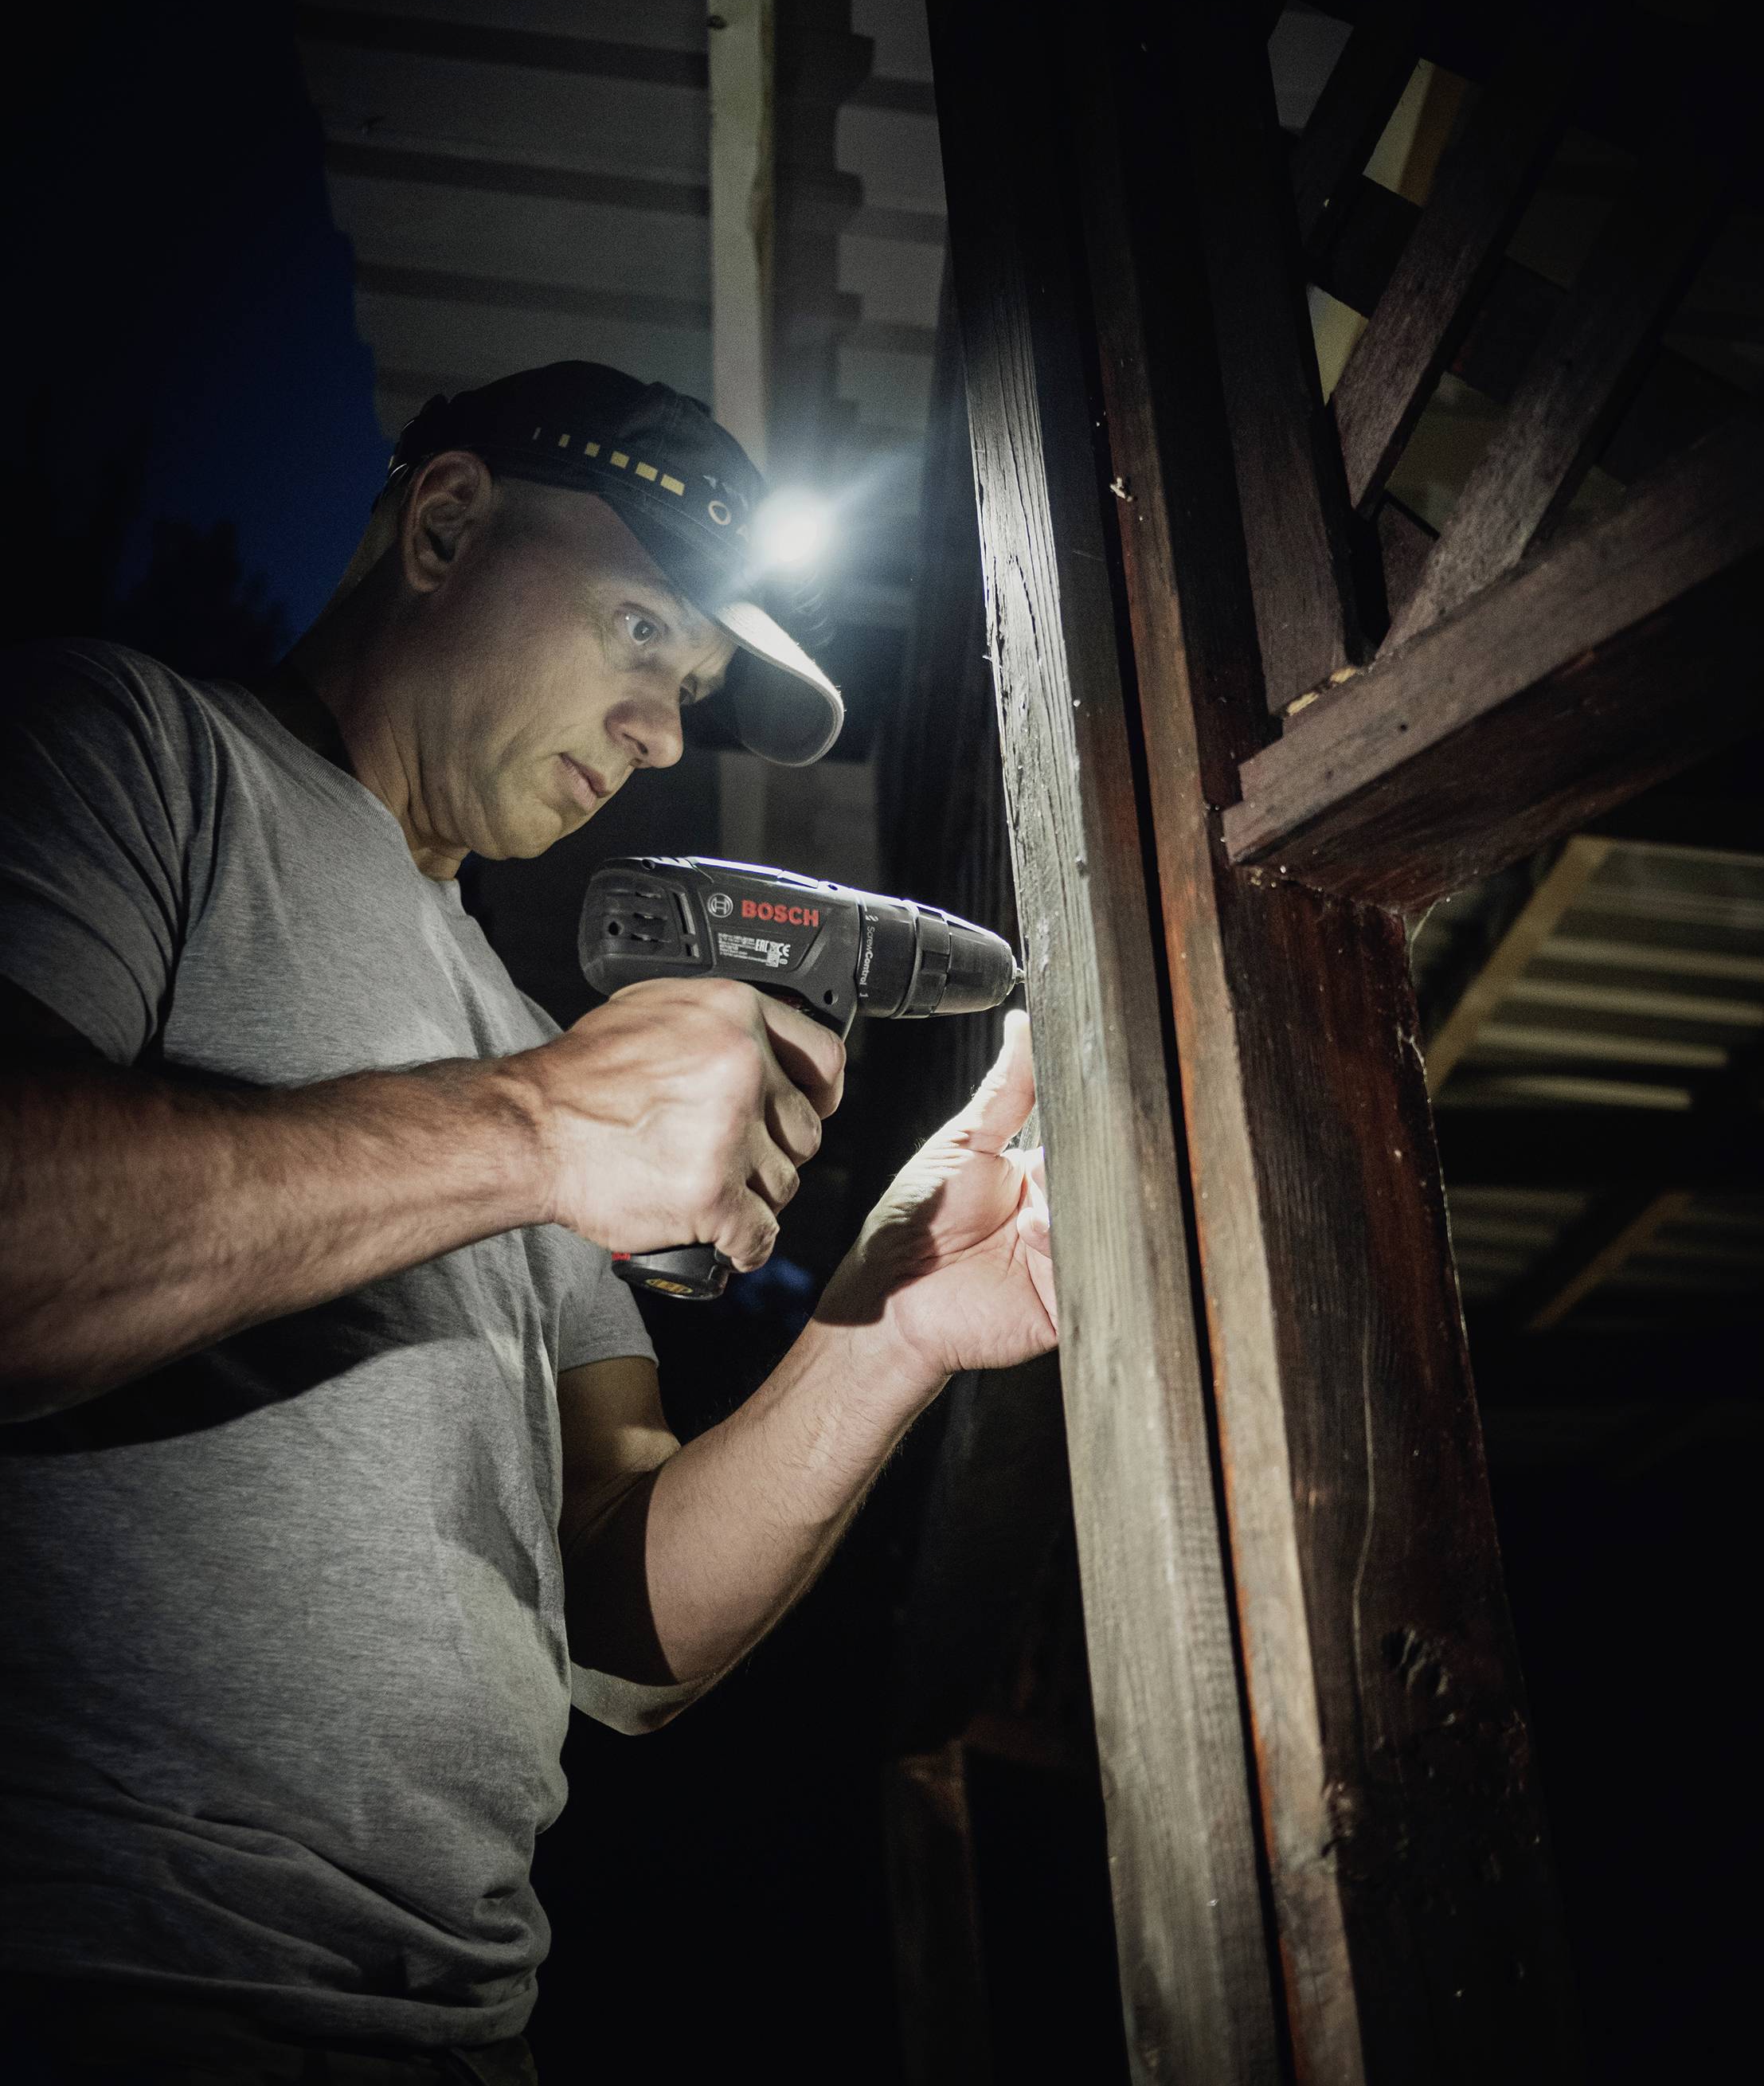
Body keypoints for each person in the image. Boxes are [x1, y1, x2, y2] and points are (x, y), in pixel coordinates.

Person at [0, 363, 1057, 2082]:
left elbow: (617, 1642)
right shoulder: (125, 753)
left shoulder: (526, 1033)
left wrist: (894, 1316)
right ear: (444, 525)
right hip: (88, 1973)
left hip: (458, 2025)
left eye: (694, 690)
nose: (661, 733)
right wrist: (534, 1131)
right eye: (645, 630)